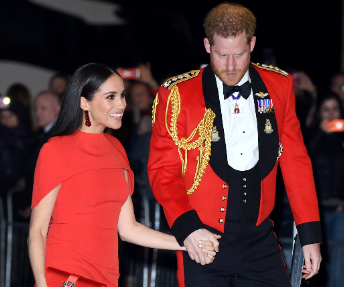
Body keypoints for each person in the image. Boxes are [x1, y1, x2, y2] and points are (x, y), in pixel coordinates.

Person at [147, 3, 322, 287]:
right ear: (207, 45)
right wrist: (187, 229)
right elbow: (163, 171)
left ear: (252, 44)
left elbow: (296, 163)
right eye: (221, 54)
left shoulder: (279, 86)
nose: (230, 66)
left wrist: (310, 235)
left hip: (261, 241)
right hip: (202, 239)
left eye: (239, 55)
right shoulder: (176, 95)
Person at [27, 63, 217, 287]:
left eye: (122, 95)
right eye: (111, 97)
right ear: (84, 102)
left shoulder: (116, 149)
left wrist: (188, 242)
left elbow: (128, 229)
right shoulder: (56, 149)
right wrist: (41, 284)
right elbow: (37, 230)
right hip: (66, 276)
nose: (122, 104)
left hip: (107, 278)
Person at [306, 92, 344, 287]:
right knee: (316, 257)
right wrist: (319, 132)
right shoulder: (312, 135)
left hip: (339, 208)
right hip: (315, 209)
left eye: (335, 109)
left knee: (338, 257)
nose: (331, 114)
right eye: (326, 109)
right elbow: (303, 164)